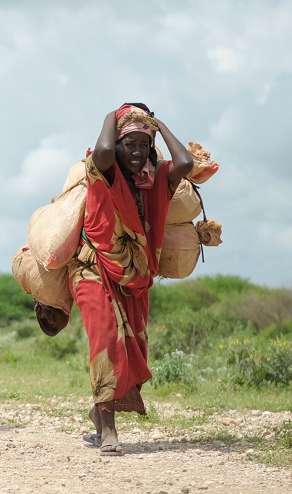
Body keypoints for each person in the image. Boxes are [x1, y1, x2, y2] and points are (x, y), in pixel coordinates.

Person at [71, 103, 193, 456]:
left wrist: (155, 124)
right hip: (93, 268)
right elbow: (106, 149)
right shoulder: (102, 172)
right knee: (107, 341)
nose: (136, 152)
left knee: (131, 348)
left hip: (135, 278)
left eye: (144, 145)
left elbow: (185, 163)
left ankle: (99, 411)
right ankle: (109, 431)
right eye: (130, 144)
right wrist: (115, 114)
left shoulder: (157, 183)